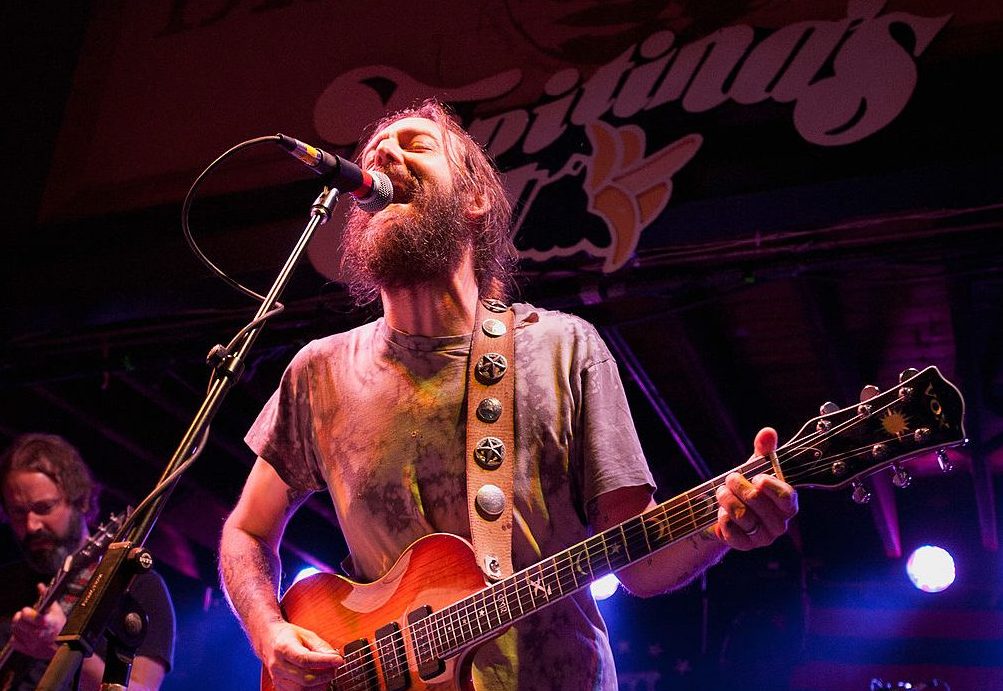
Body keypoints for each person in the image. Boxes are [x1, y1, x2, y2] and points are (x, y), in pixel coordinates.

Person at [218, 99, 799, 691]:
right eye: (373, 153)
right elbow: (247, 531)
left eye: (415, 145)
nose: (383, 154)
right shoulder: (318, 372)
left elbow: (641, 563)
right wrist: (268, 630)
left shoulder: (564, 347)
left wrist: (717, 525)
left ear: (474, 199)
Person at [0, 433, 176, 691]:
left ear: (81, 501)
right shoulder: (5, 582)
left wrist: (59, 648)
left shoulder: (136, 584)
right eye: (18, 512)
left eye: (44, 507)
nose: (31, 525)